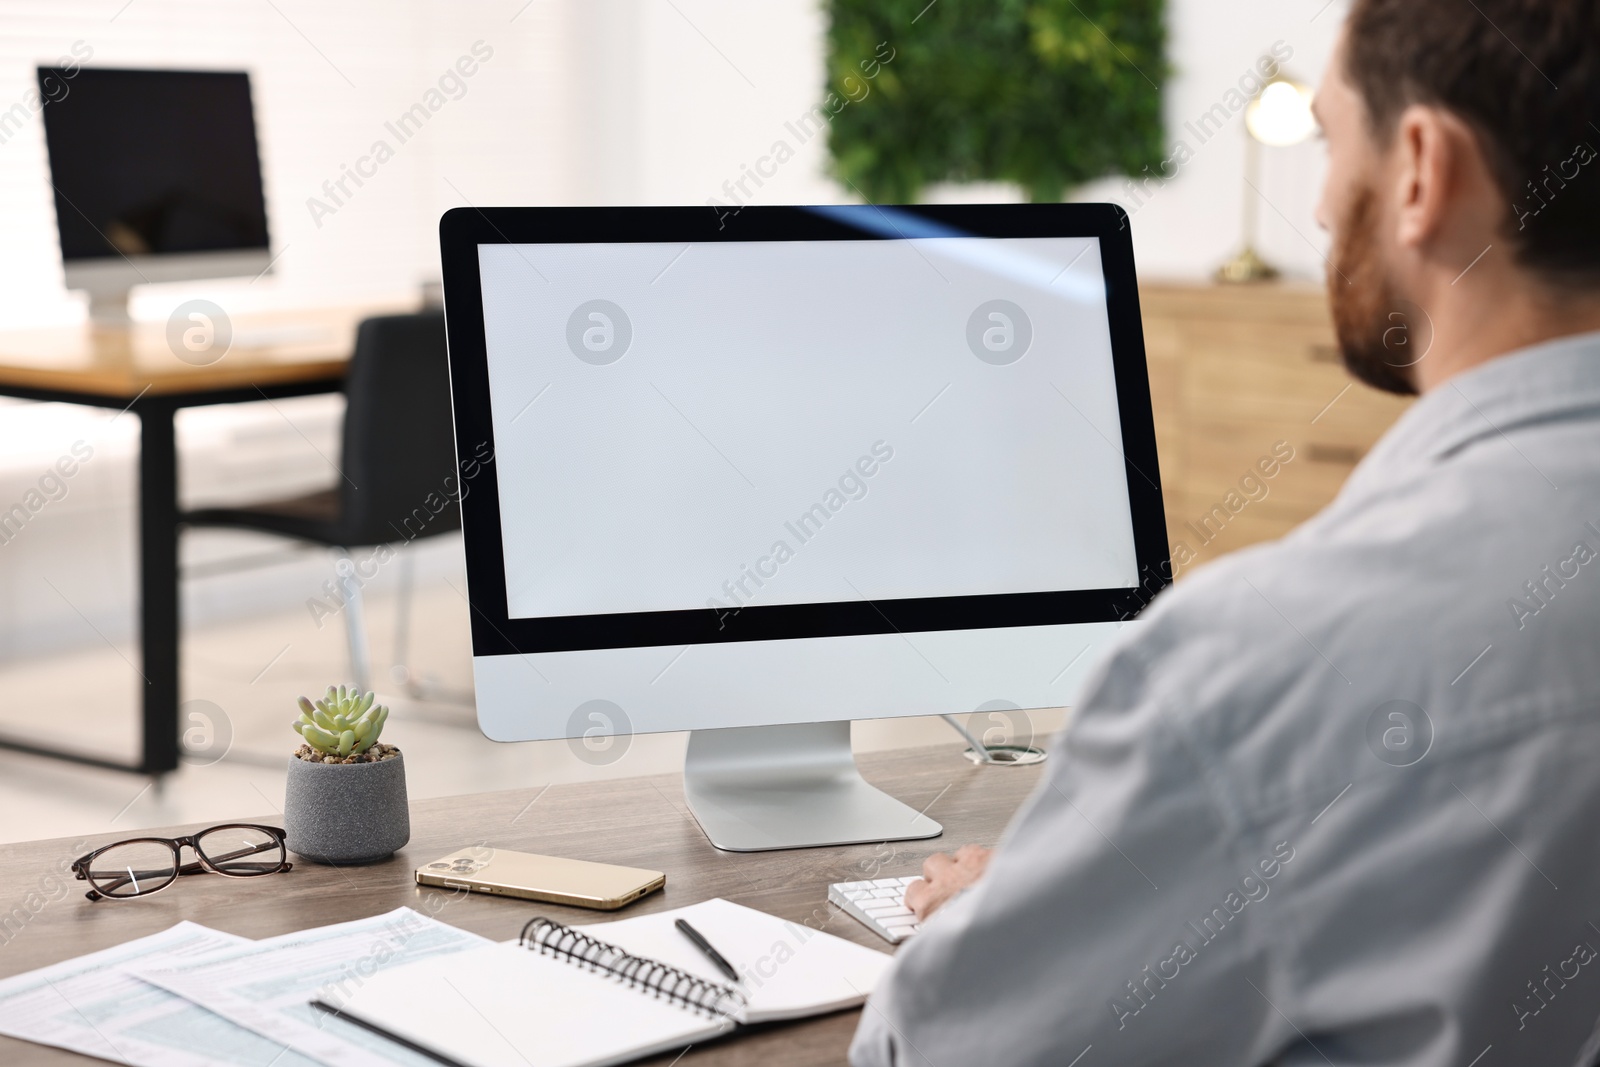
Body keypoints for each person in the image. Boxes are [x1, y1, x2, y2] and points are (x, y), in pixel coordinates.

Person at [850, 0, 1600, 1063]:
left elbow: (945, 1050)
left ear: (1421, 170)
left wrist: (1016, 920)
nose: (1329, 209)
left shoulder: (1256, 664)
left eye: (1334, 141)